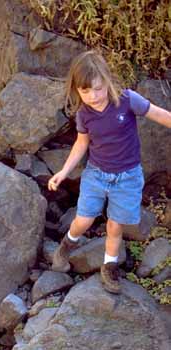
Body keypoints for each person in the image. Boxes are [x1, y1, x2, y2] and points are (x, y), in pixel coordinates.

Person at [48, 50, 171, 294]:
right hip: (97, 174)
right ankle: (66, 245)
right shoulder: (84, 115)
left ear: (107, 81)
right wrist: (64, 171)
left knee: (115, 226)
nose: (93, 97)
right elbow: (82, 143)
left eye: (98, 89)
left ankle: (109, 265)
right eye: (85, 91)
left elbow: (159, 114)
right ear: (77, 90)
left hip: (128, 177)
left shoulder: (127, 100)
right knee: (84, 220)